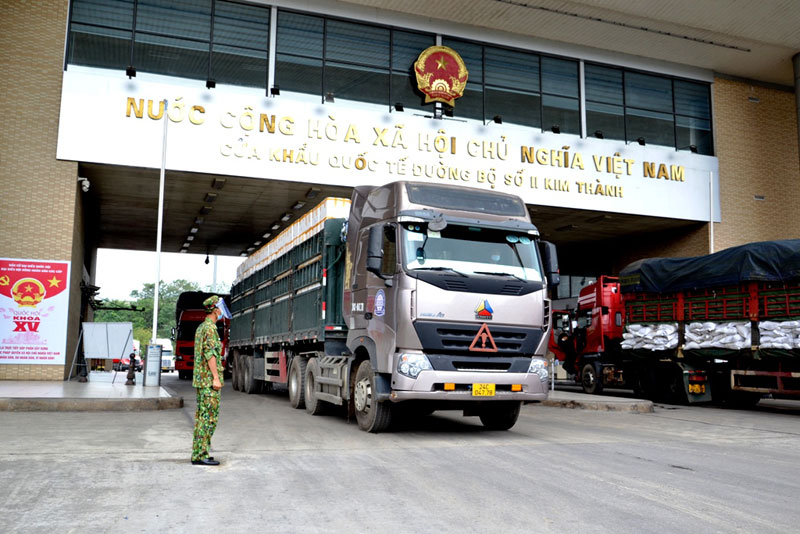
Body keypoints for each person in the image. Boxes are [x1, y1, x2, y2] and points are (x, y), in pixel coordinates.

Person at [190, 295, 229, 466]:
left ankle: (199, 453)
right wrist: (216, 378)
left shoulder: (201, 327)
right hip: (208, 382)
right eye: (219, 308)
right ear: (214, 310)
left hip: (202, 381)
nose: (221, 312)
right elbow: (210, 354)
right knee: (208, 419)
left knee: (201, 418)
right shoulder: (210, 329)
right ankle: (201, 455)